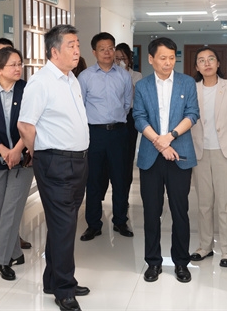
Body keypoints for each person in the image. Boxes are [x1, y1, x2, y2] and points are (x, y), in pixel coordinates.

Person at [18, 24, 90, 311]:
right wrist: (41, 153)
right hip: (56, 161)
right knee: (64, 224)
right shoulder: (41, 82)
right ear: (54, 51)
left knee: (64, 223)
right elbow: (25, 125)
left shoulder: (71, 79)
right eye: (71, 45)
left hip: (77, 160)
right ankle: (64, 289)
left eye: (77, 44)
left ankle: (53, 279)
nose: (77, 50)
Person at [132, 37, 199, 284]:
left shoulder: (187, 82)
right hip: (151, 157)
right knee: (151, 212)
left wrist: (169, 137)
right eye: (163, 58)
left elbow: (192, 114)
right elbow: (139, 118)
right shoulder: (142, 86)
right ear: (151, 59)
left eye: (172, 58)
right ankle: (153, 262)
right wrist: (160, 144)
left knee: (180, 211)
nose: (168, 62)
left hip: (180, 154)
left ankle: (181, 262)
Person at [189, 46, 227, 268]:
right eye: (201, 60)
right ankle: (204, 247)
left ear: (218, 63)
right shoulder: (192, 89)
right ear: (197, 67)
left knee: (225, 204)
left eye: (211, 59)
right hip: (200, 153)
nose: (207, 63)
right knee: (204, 204)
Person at [78, 32, 133, 241]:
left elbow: (127, 104)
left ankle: (120, 220)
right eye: (102, 49)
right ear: (94, 52)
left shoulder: (124, 76)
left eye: (111, 48)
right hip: (94, 134)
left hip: (119, 133)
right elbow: (80, 106)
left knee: (120, 178)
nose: (107, 52)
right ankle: (93, 224)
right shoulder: (85, 77)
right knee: (93, 180)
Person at [0, 37, 32, 254]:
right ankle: (13, 252)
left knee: (13, 208)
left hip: (23, 158)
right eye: (13, 65)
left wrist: (17, 150)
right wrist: (2, 149)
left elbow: (32, 122)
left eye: (20, 64)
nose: (18, 68)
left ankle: (5, 256)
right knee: (0, 209)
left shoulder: (27, 90)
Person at [114, 43, 143, 195]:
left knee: (127, 155)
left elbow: (134, 96)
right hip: (114, 116)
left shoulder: (136, 76)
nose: (120, 62)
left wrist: (125, 75)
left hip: (129, 117)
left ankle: (124, 192)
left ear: (129, 60)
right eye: (117, 58)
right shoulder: (110, 75)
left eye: (123, 58)